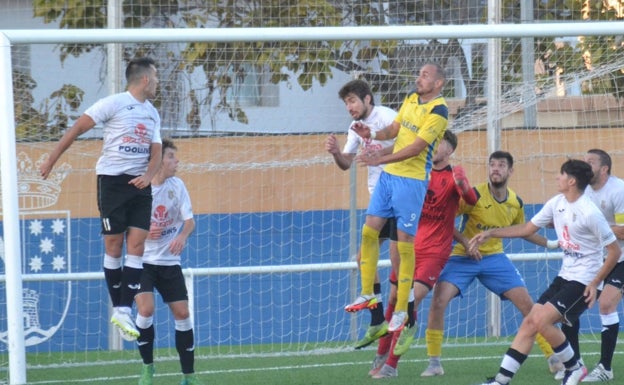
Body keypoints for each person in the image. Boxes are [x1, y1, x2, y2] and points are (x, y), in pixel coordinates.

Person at [39, 57, 162, 341]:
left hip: (140, 185)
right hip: (112, 182)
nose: (157, 82)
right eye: (155, 77)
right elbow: (78, 128)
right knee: (114, 243)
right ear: (144, 79)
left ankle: (122, 309)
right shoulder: (114, 103)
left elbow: (156, 151)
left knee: (138, 245)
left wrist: (148, 175)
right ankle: (120, 307)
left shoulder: (153, 113)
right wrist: (51, 159)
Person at [470, 159, 621, 385]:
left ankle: (574, 368)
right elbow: (527, 229)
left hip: (584, 281)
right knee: (530, 322)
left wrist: (595, 283)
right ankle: (500, 381)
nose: (556, 178)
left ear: (571, 181)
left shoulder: (590, 212)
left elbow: (614, 251)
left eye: (561, 175)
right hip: (565, 276)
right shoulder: (557, 202)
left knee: (542, 322)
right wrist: (491, 233)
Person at [422, 151, 563, 377]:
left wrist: (552, 243)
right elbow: (445, 219)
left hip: (495, 259)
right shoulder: (473, 195)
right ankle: (434, 362)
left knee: (528, 305)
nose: (495, 169)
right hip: (462, 256)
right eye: (492, 165)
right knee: (438, 301)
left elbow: (523, 231)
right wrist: (467, 243)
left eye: (501, 165)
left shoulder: (515, 202)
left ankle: (553, 357)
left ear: (510, 171)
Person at [345, 62, 449, 337]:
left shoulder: (439, 111)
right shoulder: (411, 98)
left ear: (438, 83)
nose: (419, 77)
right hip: (388, 178)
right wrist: (374, 135)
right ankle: (368, 294)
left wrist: (381, 157)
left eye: (425, 74)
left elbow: (415, 148)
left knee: (403, 248)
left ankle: (403, 308)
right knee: (368, 232)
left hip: (412, 182)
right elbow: (395, 129)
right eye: (419, 72)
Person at [370, 130, 477, 379]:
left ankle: (391, 366)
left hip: (434, 253)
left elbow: (470, 201)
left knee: (409, 301)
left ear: (449, 150)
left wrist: (463, 183)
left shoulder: (452, 176)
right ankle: (381, 353)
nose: (432, 147)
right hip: (408, 247)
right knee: (396, 297)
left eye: (437, 143)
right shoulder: (417, 173)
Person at [325, 79, 399, 349]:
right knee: (363, 257)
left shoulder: (388, 117)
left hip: (400, 196)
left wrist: (379, 153)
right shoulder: (354, 129)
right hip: (379, 200)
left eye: (353, 101)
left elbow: (409, 148)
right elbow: (347, 163)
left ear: (368, 99)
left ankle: (403, 322)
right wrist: (336, 153)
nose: (349, 107)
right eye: (346, 103)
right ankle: (378, 319)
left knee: (399, 269)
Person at [135, 139, 201, 385]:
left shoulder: (178, 186)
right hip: (142, 261)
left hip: (170, 262)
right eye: (171, 156)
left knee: (183, 314)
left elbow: (190, 221)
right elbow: (125, 229)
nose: (177, 161)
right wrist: (142, 231)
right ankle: (147, 368)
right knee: (146, 309)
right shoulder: (140, 188)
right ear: (159, 159)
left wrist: (182, 236)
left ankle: (188, 376)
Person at [555, 149, 624, 383]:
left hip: (620, 258)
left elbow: (623, 231)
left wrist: (596, 225)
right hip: (595, 261)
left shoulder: (618, 190)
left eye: (591, 162)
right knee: (569, 311)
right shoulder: (580, 195)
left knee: (605, 304)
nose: (585, 164)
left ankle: (605, 367)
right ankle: (576, 364)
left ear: (604, 169)